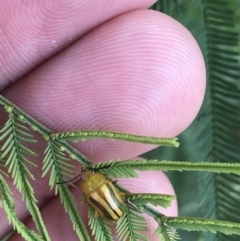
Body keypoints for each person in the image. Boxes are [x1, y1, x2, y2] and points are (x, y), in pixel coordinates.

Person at [0, 1, 205, 240]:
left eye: (86, 177)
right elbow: (92, 197)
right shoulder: (96, 187)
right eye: (89, 176)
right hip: (111, 208)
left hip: (111, 207)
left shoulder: (97, 186)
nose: (86, 175)